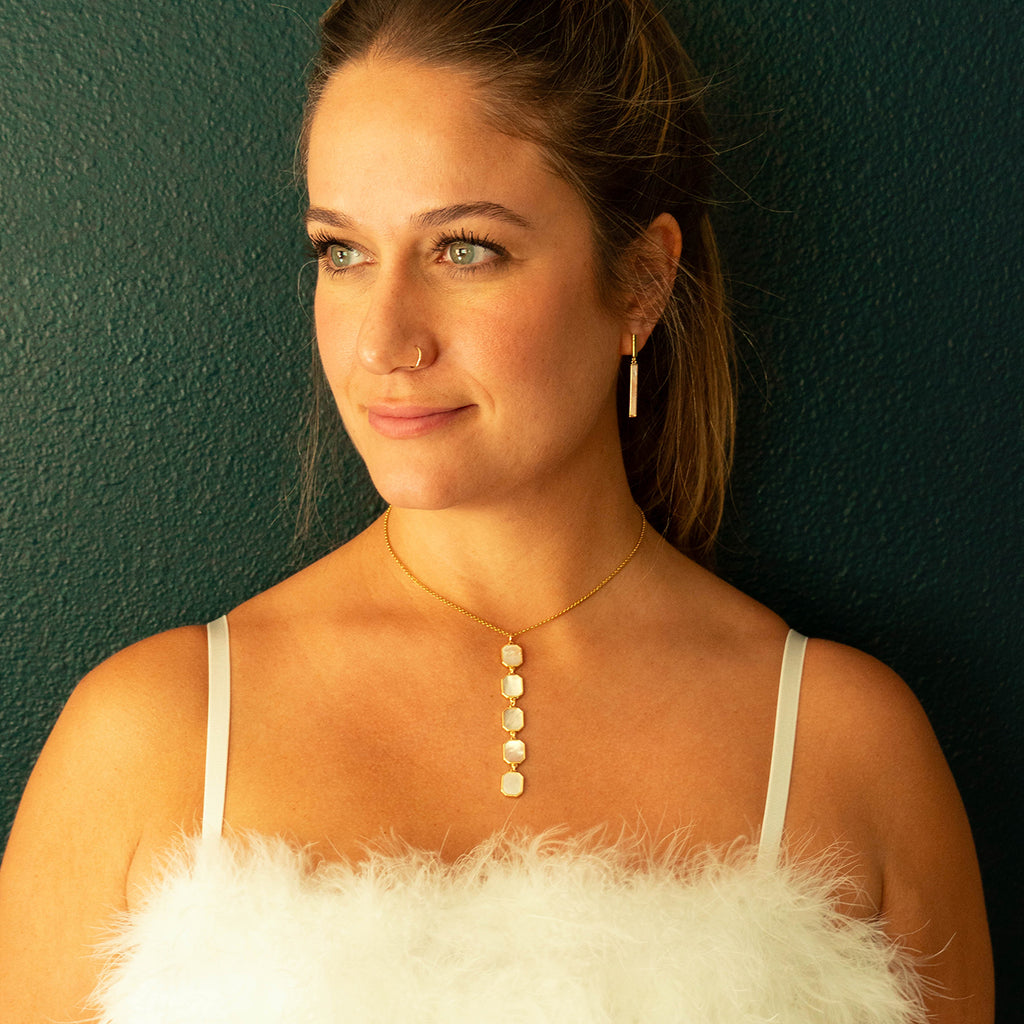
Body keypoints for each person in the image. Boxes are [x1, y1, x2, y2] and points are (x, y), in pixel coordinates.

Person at [0, 0, 993, 1020]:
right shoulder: (148, 739)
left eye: (464, 249)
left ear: (642, 282)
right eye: (341, 251)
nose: (385, 339)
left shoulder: (845, 749)